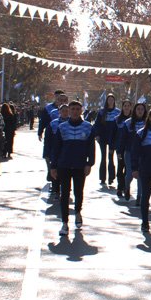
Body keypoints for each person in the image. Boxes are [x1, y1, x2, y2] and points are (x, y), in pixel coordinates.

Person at [50, 100, 94, 236]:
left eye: (77, 109)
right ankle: (64, 223)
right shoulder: (62, 127)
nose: (75, 111)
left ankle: (78, 212)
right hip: (64, 164)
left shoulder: (87, 127)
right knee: (65, 194)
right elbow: (56, 148)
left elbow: (91, 148)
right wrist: (53, 166)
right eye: (72, 109)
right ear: (68, 111)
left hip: (80, 165)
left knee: (78, 192)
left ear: (81, 111)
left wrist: (89, 164)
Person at [120, 102, 148, 204]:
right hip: (129, 152)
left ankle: (139, 197)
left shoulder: (147, 123)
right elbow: (122, 139)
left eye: (142, 109)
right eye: (138, 109)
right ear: (135, 110)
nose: (140, 111)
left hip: (143, 153)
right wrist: (119, 151)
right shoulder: (128, 123)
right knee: (130, 174)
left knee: (141, 175)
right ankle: (126, 188)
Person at [92, 94, 122, 187]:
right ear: (106, 101)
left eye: (112, 100)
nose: (110, 101)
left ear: (114, 101)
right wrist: (96, 135)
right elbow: (97, 124)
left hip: (112, 138)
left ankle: (111, 177)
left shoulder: (118, 112)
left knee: (111, 157)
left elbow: (119, 126)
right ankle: (102, 178)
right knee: (103, 157)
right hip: (103, 137)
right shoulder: (101, 112)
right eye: (109, 100)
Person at [112, 100, 133, 198]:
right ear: (122, 107)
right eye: (125, 105)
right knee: (121, 167)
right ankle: (120, 187)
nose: (127, 107)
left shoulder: (133, 120)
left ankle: (126, 186)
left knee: (128, 169)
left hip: (130, 148)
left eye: (128, 106)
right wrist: (112, 146)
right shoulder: (117, 119)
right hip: (120, 147)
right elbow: (113, 134)